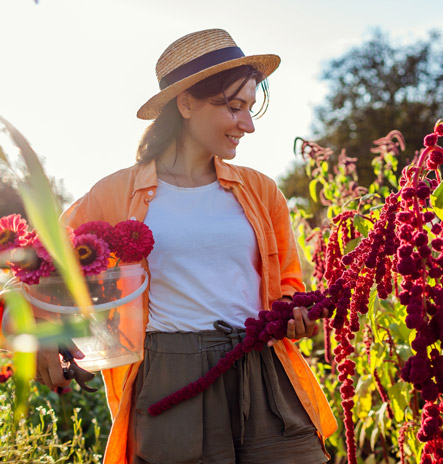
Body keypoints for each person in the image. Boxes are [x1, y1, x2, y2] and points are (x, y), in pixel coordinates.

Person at [41, 28, 337, 463]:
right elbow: (44, 264)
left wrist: (296, 311)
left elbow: (289, 282)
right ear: (185, 104)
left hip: (262, 368)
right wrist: (45, 335)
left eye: (251, 109)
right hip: (169, 375)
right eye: (234, 107)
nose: (248, 125)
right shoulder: (115, 193)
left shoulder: (261, 191)